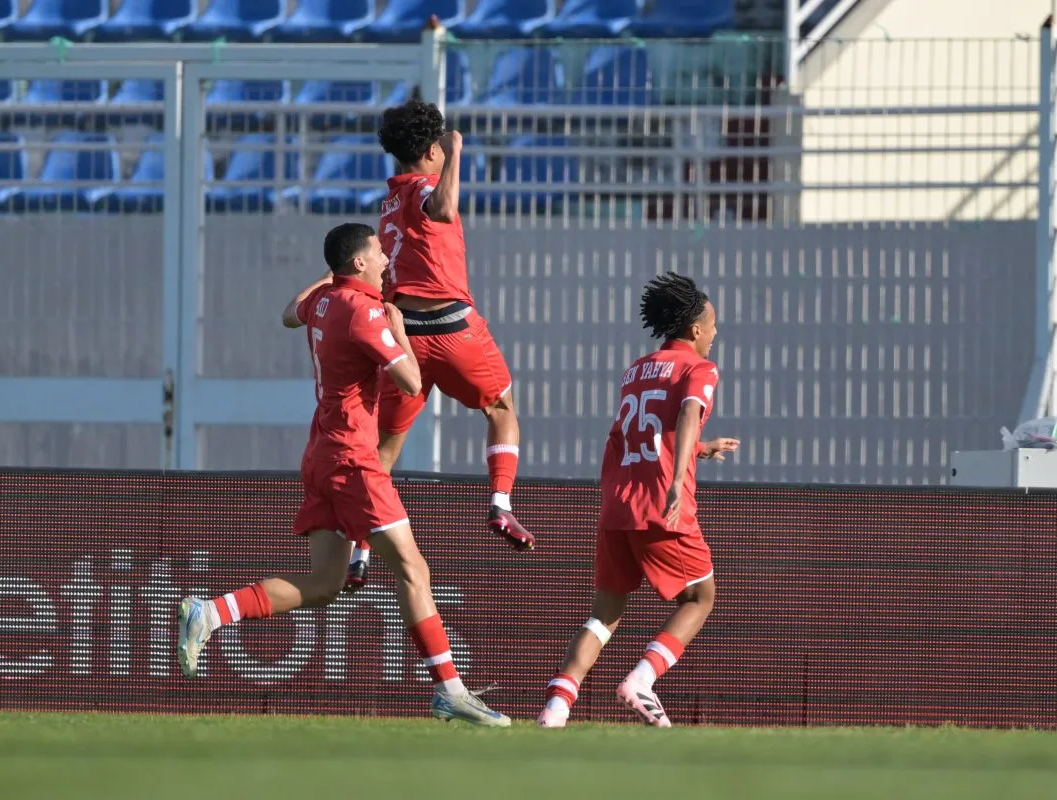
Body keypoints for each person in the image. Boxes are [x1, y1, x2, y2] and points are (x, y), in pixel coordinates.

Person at [177, 222, 510, 727]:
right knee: (414, 570)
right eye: (376, 253)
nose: (385, 260)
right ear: (358, 263)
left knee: (326, 582)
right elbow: (413, 381)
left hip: (321, 453)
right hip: (354, 457)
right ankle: (451, 691)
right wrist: (398, 329)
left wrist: (333, 278)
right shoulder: (366, 312)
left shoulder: (325, 302)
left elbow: (290, 312)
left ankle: (213, 612)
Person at [343, 99, 534, 594]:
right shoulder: (430, 184)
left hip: (403, 336)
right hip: (452, 328)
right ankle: (500, 504)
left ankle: (359, 549)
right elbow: (444, 207)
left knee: (383, 451)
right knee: (502, 406)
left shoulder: (387, 203)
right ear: (431, 151)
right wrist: (457, 153)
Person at [537, 272, 739, 729]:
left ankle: (555, 708)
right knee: (701, 597)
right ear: (694, 330)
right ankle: (642, 681)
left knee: (603, 616)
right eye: (712, 331)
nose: (712, 339)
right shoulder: (699, 369)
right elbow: (689, 413)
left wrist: (702, 451)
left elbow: (634, 433)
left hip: (618, 506)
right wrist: (675, 477)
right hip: (660, 503)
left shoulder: (636, 370)